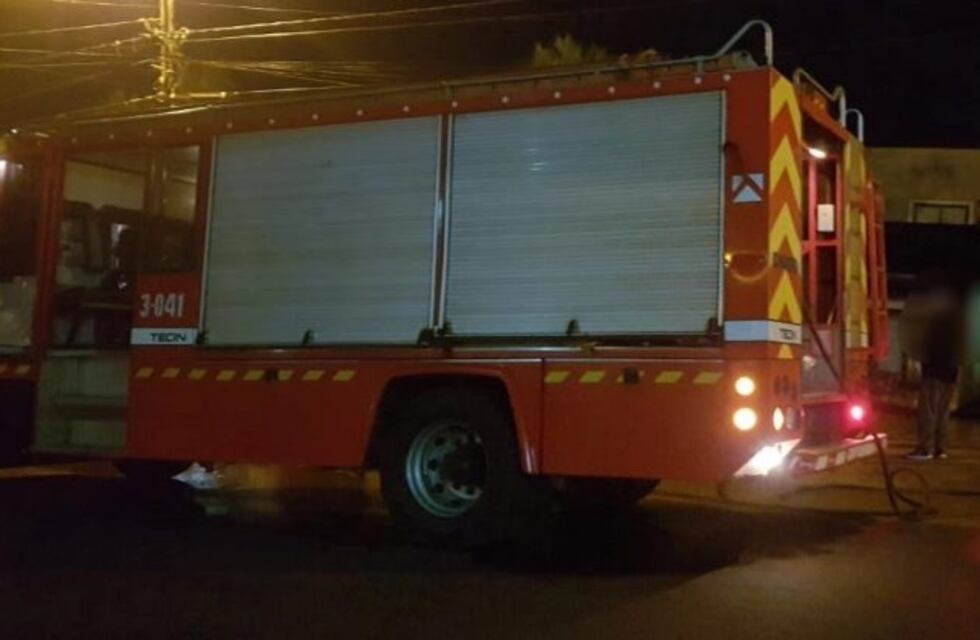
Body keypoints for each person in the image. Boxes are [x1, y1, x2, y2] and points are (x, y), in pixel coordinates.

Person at [902, 270, 962, 460]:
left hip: (934, 371)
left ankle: (924, 449)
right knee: (943, 411)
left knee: (928, 410)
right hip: (951, 372)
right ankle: (939, 449)